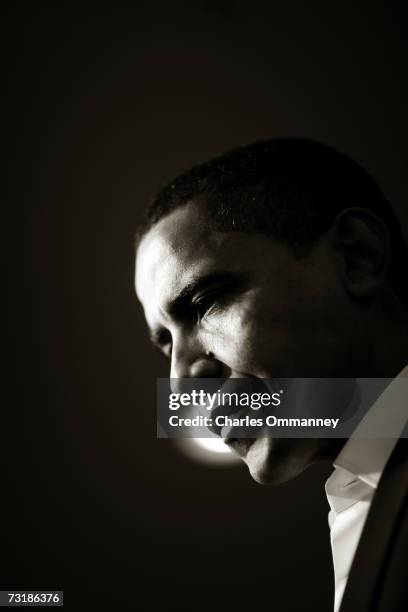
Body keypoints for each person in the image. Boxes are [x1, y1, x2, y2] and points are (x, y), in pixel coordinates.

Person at [134, 139, 408, 612]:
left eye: (204, 303)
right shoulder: (369, 498)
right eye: (166, 346)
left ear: (357, 257)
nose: (180, 383)